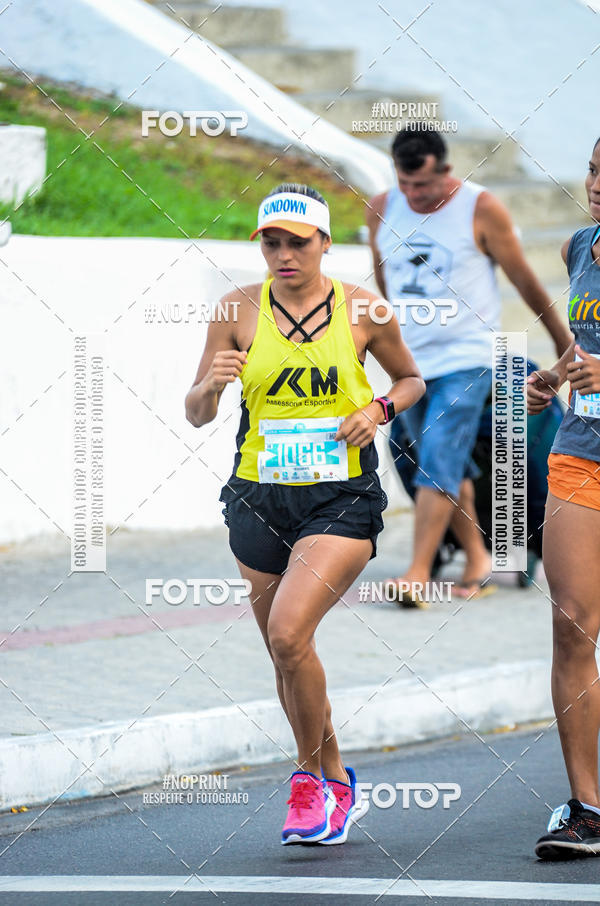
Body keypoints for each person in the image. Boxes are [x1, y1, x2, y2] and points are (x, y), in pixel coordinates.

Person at [185, 183, 425, 845]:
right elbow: (197, 411)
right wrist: (209, 385)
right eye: (271, 241)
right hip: (257, 497)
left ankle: (307, 779)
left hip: (339, 498)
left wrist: (377, 410)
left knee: (290, 634)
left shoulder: (363, 308)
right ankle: (337, 778)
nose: (284, 253)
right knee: (284, 653)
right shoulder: (236, 309)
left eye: (298, 241)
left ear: (324, 241)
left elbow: (411, 380)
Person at [366, 125, 572, 606]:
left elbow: (526, 284)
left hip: (471, 357)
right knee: (437, 459)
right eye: (406, 184)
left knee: (438, 452)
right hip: (414, 364)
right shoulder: (381, 209)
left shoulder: (479, 209)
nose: (414, 195)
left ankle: (417, 573)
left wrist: (567, 351)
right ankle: (478, 556)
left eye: (425, 185)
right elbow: (386, 286)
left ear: (446, 171)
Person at [528, 137, 600, 859]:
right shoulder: (581, 245)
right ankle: (588, 809)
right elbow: (587, 343)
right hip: (581, 454)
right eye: (594, 169)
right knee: (573, 624)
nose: (598, 185)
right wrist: (558, 375)